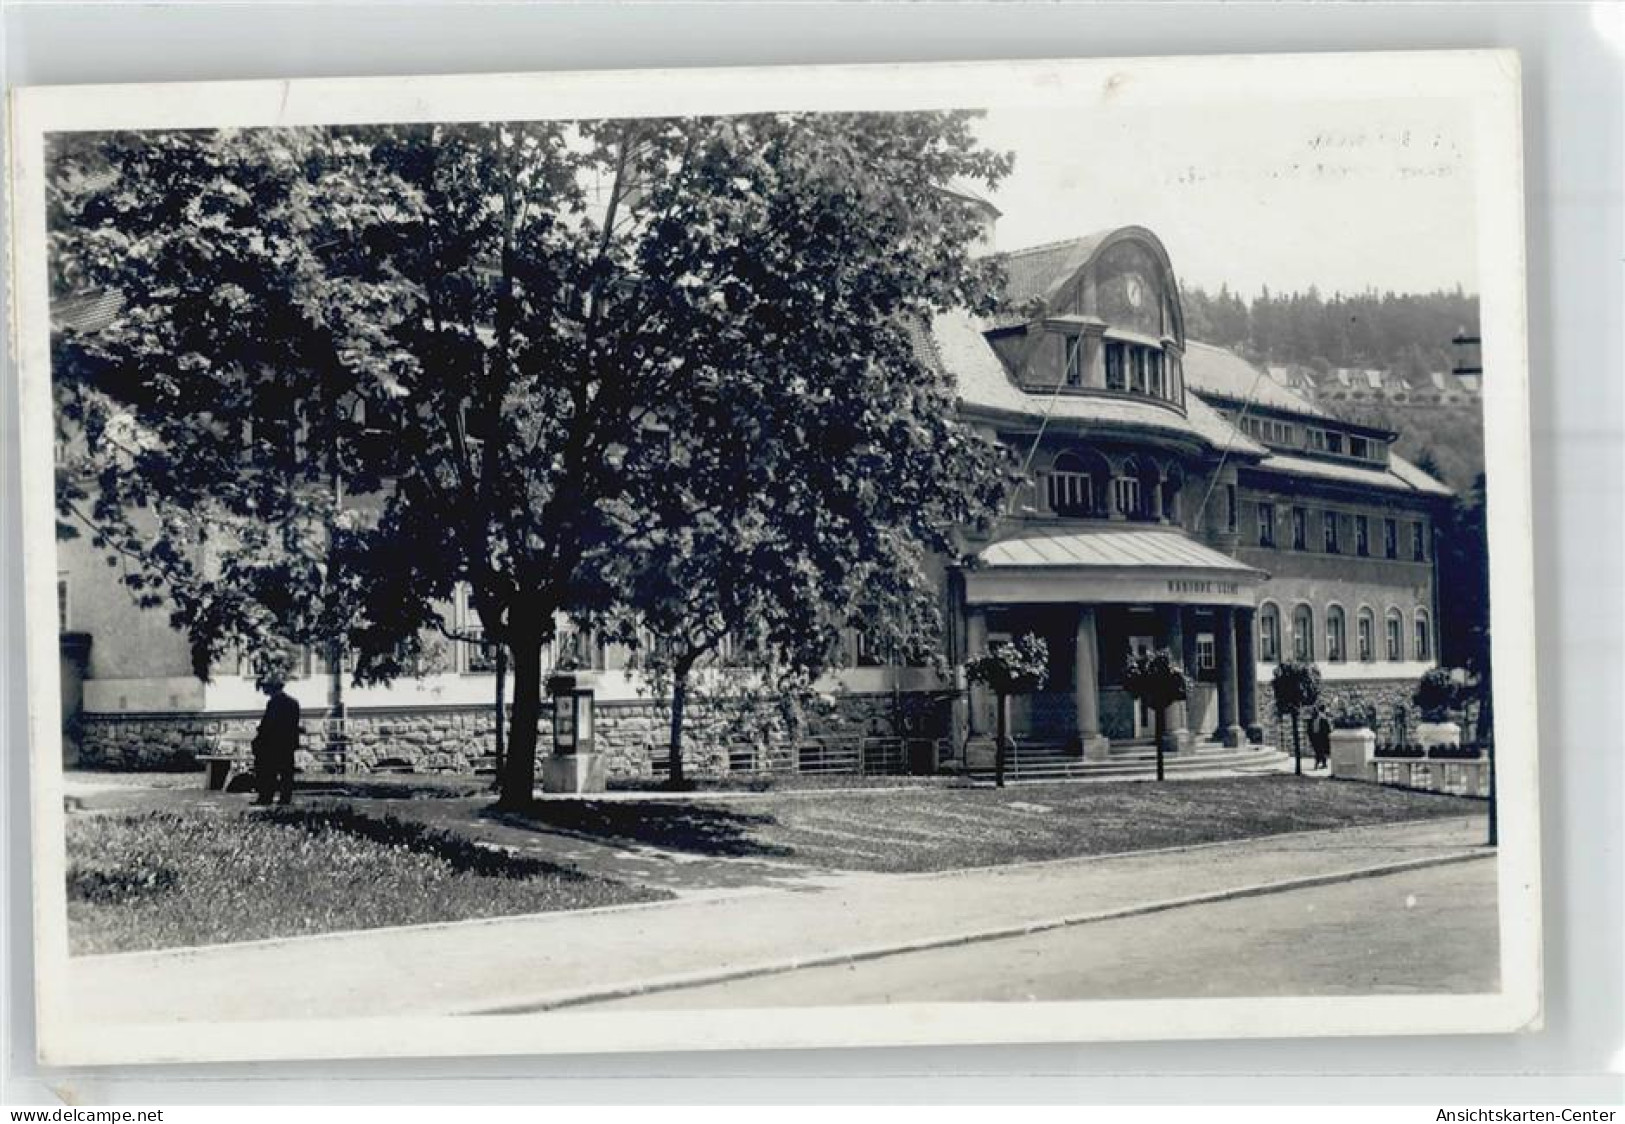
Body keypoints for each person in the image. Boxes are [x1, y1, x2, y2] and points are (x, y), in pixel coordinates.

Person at [252, 676, 301, 805]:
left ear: (271, 688)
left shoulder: (274, 703)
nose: (262, 690)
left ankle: (265, 797)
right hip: (288, 743)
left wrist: (259, 737)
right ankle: (285, 798)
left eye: (264, 687)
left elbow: (269, 725)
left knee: (268, 771)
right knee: (286, 773)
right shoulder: (293, 703)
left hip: (273, 744)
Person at [1307, 705, 1333, 770]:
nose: (1313, 714)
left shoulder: (1323, 719)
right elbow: (1309, 729)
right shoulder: (1311, 720)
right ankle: (1323, 763)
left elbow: (1328, 728)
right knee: (1318, 751)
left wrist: (1328, 736)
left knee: (1319, 751)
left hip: (1321, 737)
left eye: (1314, 712)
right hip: (1314, 737)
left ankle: (1317, 763)